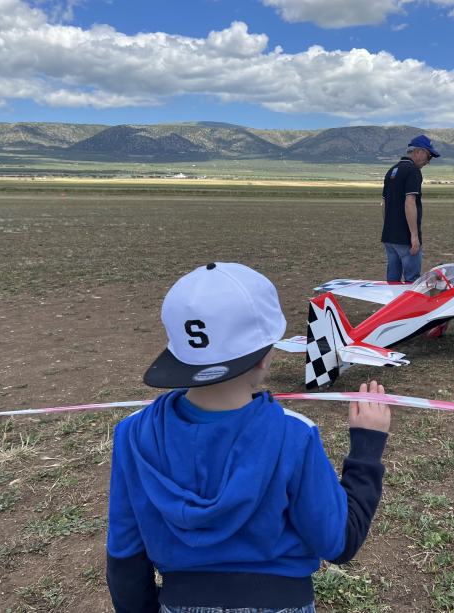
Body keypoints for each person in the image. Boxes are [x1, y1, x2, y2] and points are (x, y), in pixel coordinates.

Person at [106, 262, 391, 613]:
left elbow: (125, 557)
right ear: (264, 356)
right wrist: (367, 447)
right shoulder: (293, 433)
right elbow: (339, 542)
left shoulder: (132, 433)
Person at [381, 134, 440, 282]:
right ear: (418, 152)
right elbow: (410, 203)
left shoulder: (392, 171)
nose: (428, 161)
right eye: (429, 156)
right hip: (405, 237)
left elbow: (384, 204)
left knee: (392, 280)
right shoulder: (413, 171)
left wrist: (388, 226)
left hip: (389, 236)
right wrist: (414, 236)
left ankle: (392, 305)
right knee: (412, 281)